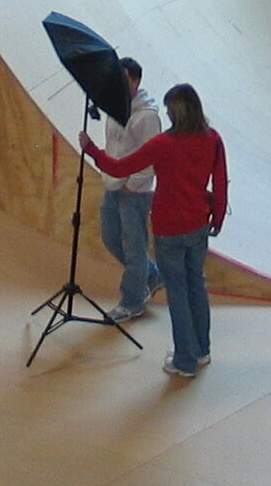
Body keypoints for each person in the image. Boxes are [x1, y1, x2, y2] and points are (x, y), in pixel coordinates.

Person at [82, 82, 226, 378]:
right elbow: (221, 183)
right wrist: (218, 218)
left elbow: (121, 168)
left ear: (173, 114)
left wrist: (92, 150)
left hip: (169, 229)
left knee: (178, 294)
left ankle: (184, 360)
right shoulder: (212, 139)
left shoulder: (164, 144)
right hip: (199, 224)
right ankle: (202, 351)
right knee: (196, 286)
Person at [95, 57, 161, 324]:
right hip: (113, 186)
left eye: (123, 81)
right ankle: (152, 275)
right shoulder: (114, 108)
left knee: (134, 250)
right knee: (111, 237)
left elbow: (152, 157)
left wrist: (134, 186)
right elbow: (114, 145)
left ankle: (132, 302)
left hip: (135, 193)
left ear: (136, 82)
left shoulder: (147, 117)